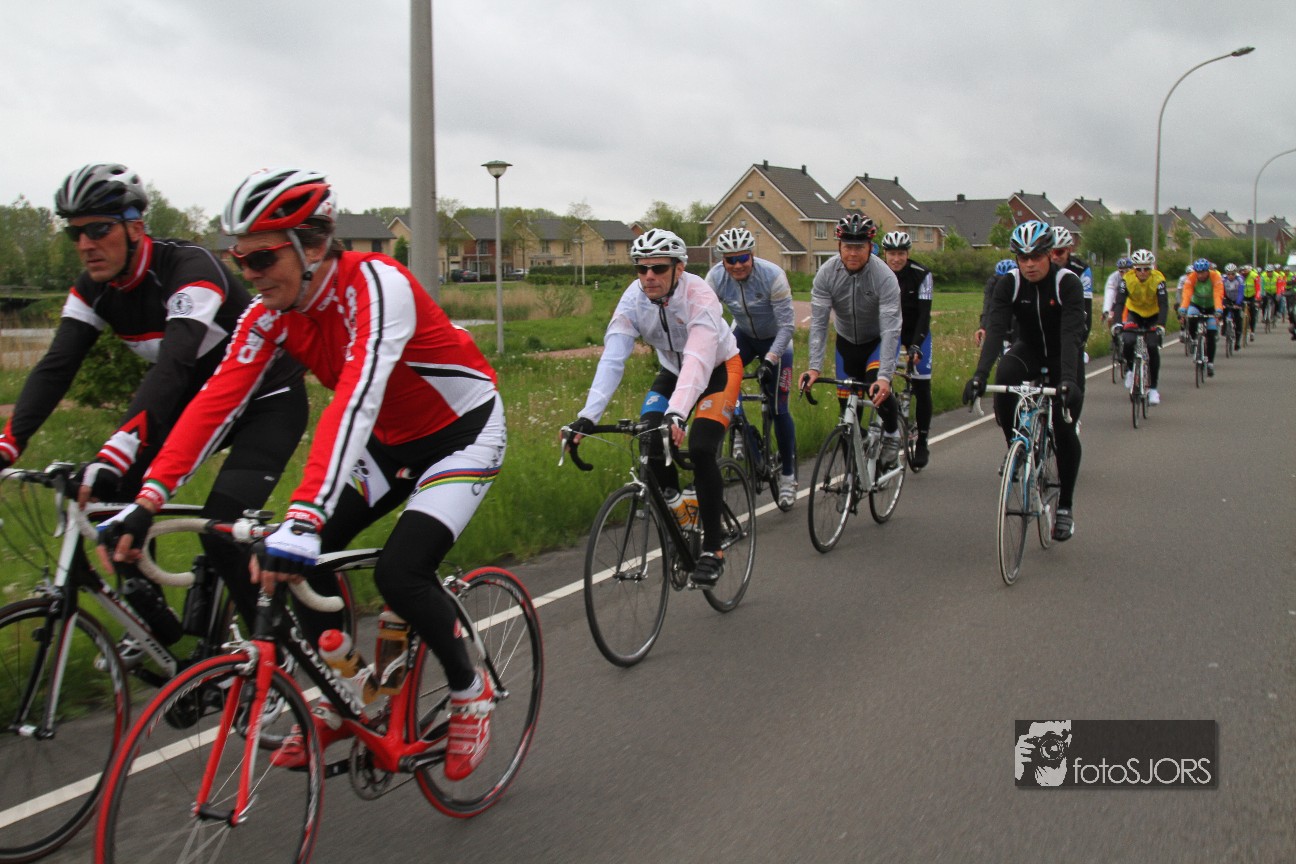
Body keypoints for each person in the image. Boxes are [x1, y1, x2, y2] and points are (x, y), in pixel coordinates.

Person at [100, 168, 505, 780]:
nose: (251, 274)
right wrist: (148, 500)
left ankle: (469, 689)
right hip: (387, 444)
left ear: (311, 246)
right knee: (300, 564)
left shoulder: (377, 285)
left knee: (401, 572)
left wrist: (305, 513)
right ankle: (351, 694)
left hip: (462, 437)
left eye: (262, 257)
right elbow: (214, 403)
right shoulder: (268, 314)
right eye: (240, 259)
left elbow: (356, 398)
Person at [1, 163, 307, 658]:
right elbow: (57, 366)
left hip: (266, 401)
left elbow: (174, 367)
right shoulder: (94, 288)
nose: (86, 244)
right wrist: (8, 442)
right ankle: (160, 635)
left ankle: (276, 655)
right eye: (75, 233)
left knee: (222, 527)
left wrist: (118, 449)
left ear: (135, 227)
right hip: (198, 405)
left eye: (98, 229)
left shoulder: (188, 269)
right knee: (110, 500)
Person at [568, 228, 741, 586]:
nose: (649, 276)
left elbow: (698, 359)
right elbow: (613, 357)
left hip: (719, 369)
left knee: (701, 447)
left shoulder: (700, 296)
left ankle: (713, 549)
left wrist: (676, 413)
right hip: (673, 371)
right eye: (641, 268)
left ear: (679, 268)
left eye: (659, 268)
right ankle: (680, 507)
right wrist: (587, 416)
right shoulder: (633, 298)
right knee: (649, 438)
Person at [962, 221, 1085, 541]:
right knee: (1004, 376)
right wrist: (979, 376)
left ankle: (1065, 507)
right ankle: (1016, 449)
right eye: (1022, 257)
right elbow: (995, 330)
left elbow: (1071, 335)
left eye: (1036, 257)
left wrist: (1068, 380)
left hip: (1063, 356)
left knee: (1064, 428)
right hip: (1028, 349)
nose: (1029, 264)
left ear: (1050, 255)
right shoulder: (1010, 283)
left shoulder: (1067, 283)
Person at [799, 215, 903, 469]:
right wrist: (814, 367)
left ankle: (892, 435)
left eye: (859, 247)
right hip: (846, 343)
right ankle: (851, 477)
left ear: (870, 247)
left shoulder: (884, 276)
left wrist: (885, 377)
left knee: (876, 388)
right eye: (848, 246)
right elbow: (819, 323)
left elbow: (891, 328)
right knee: (847, 414)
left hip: (877, 341)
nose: (853, 253)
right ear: (839, 246)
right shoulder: (826, 274)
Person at [705, 227, 798, 506]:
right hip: (744, 336)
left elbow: (787, 326)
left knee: (779, 408)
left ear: (752, 255)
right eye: (730, 260)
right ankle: (738, 426)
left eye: (742, 258)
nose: (737, 265)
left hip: (777, 340)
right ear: (722, 260)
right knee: (721, 376)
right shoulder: (715, 278)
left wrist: (770, 359)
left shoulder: (773, 276)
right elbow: (707, 319)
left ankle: (788, 477)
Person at [879, 230, 934, 468]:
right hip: (889, 331)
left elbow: (924, 314)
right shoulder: (877, 273)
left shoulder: (922, 274)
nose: (896, 259)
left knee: (922, 385)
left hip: (915, 331)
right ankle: (887, 433)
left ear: (907, 254)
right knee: (881, 380)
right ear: (885, 254)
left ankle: (922, 441)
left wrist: (916, 346)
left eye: (901, 254)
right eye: (892, 254)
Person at [1112, 249, 1168, 405]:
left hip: (1153, 315)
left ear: (1151, 268)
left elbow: (1163, 304)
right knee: (1128, 340)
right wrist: (1117, 323)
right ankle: (1130, 370)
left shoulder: (1158, 279)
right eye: (1139, 269)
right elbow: (1119, 303)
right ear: (1134, 269)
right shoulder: (1127, 280)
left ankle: (1154, 389)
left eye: (1146, 269)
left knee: (1152, 347)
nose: (1143, 272)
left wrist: (1161, 325)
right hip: (1135, 314)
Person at [1178, 258, 1223, 377]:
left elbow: (1218, 295)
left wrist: (1218, 310)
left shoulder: (1215, 277)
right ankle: (1193, 339)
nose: (1200, 275)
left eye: (1203, 272)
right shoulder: (1191, 277)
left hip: (1211, 306)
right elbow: (1187, 294)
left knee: (1211, 334)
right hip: (1196, 304)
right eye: (1198, 272)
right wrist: (1183, 309)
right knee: (1191, 316)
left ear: (1208, 271)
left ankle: (1210, 363)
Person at [1049, 226, 1093, 335]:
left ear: (1069, 250)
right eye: (1050, 252)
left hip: (1071, 316)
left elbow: (1086, 307)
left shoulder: (1082, 270)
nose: (1054, 257)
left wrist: (1083, 337)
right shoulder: (1041, 267)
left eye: (1059, 252)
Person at [975, 259, 1017, 349]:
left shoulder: (1022, 283)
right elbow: (987, 306)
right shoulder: (992, 284)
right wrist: (982, 327)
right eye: (1001, 278)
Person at [1220, 263, 1247, 351]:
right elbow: (1220, 292)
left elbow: (1241, 293)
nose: (1230, 276)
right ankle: (1224, 326)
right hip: (1227, 298)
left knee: (1238, 319)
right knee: (1223, 311)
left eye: (1232, 274)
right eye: (1228, 274)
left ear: (1235, 273)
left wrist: (1238, 304)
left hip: (1237, 299)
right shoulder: (1223, 279)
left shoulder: (1240, 280)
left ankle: (1237, 342)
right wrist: (1222, 302)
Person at [1101, 257, 1132, 325]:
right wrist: (1106, 310)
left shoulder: (1135, 276)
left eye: (1127, 271)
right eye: (1121, 271)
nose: (1124, 274)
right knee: (1111, 319)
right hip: (1118, 301)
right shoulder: (1113, 277)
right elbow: (1109, 293)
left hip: (1132, 302)